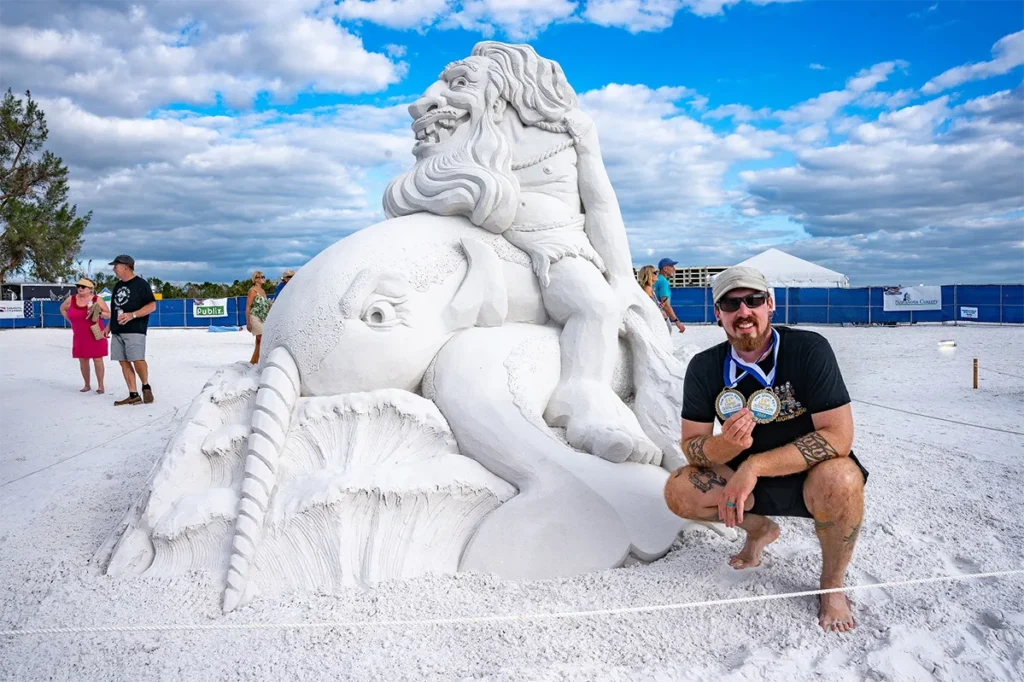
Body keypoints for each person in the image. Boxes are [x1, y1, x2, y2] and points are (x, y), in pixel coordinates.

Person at [663, 265, 868, 632]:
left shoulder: (809, 348)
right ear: (718, 314)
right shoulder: (704, 366)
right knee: (679, 490)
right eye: (731, 304)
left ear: (770, 304)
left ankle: (832, 584)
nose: (744, 312)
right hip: (744, 485)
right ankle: (759, 530)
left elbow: (838, 436)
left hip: (809, 478)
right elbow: (691, 446)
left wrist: (753, 466)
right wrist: (724, 446)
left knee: (843, 478)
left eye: (753, 300)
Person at [107, 255, 157, 405]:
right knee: (123, 362)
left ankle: (146, 386)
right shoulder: (117, 286)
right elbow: (114, 309)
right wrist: (108, 327)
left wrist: (133, 315)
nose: (113, 269)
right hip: (117, 330)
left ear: (126, 267)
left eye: (116, 266)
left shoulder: (141, 284)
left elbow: (152, 306)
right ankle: (133, 394)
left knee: (137, 359)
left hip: (135, 330)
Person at [59, 278, 110, 394]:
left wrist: (99, 313)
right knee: (83, 360)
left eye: (83, 287)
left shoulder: (97, 300)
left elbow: (108, 314)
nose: (80, 288)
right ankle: (87, 384)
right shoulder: (71, 299)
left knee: (97, 359)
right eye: (78, 286)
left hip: (95, 332)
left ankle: (101, 385)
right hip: (79, 334)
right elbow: (62, 308)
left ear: (90, 289)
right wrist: (70, 320)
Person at [655, 258, 686, 334]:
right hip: (660, 316)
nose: (674, 269)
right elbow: (666, 305)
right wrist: (677, 322)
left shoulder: (656, 279)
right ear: (665, 269)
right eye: (672, 266)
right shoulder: (663, 282)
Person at [246, 271, 271, 365]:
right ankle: (263, 359)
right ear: (255, 279)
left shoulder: (263, 291)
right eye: (260, 277)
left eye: (263, 277)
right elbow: (248, 307)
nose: (262, 278)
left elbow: (265, 305)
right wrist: (248, 322)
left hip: (263, 317)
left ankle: (254, 361)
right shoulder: (252, 291)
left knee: (258, 341)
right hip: (255, 317)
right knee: (262, 338)